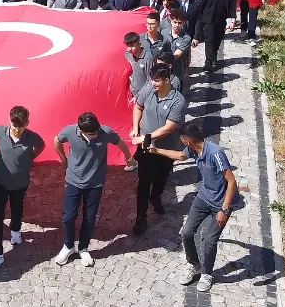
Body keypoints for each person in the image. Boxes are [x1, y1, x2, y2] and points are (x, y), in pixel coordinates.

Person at [149, 121, 238, 293]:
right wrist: (158, 151)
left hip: (220, 205)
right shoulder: (192, 149)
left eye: (181, 139)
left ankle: (207, 274)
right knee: (187, 233)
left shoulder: (216, 153)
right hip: (203, 198)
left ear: (187, 140)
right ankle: (193, 264)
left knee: (210, 241)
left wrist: (224, 209)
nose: (181, 142)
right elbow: (180, 156)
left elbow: (232, 181)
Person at [53, 112, 137, 267]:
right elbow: (57, 140)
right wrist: (63, 159)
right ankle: (68, 246)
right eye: (91, 134)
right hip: (73, 181)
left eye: (96, 132)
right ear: (81, 130)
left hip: (95, 183)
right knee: (68, 217)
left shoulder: (105, 132)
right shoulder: (70, 131)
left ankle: (83, 248)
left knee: (89, 218)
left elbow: (120, 142)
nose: (95, 135)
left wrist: (129, 157)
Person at [0, 106, 45, 268]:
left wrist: (30, 157)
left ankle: (16, 231)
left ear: (27, 123)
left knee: (17, 208)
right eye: (14, 125)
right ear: (9, 121)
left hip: (20, 184)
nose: (17, 130)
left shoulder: (32, 138)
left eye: (21, 126)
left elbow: (41, 146)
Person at [130, 64, 187, 236]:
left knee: (161, 179)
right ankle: (141, 218)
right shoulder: (148, 90)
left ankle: (155, 197)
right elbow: (138, 107)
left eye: (156, 80)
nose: (152, 83)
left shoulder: (178, 101)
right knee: (143, 183)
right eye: (151, 79)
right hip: (147, 149)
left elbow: (169, 129)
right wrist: (135, 128)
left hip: (166, 150)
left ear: (167, 80)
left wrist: (146, 138)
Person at [194, 0, 237, 72]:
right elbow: (201, 4)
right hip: (208, 20)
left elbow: (233, 6)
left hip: (221, 20)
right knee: (209, 40)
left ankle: (213, 57)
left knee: (217, 40)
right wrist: (200, 18)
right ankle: (208, 61)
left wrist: (233, 19)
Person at [163, 14, 193, 90]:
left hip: (177, 71)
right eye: (175, 22)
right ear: (171, 21)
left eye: (179, 23)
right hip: (163, 71)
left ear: (183, 23)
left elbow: (176, 55)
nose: (177, 25)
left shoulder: (186, 38)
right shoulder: (163, 33)